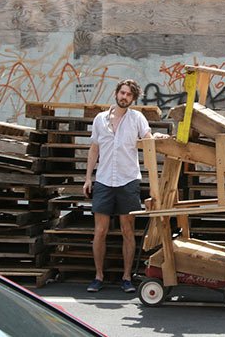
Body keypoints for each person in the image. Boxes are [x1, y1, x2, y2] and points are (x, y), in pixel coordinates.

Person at [83, 78, 165, 293]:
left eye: (129, 95)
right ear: (116, 93)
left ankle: (127, 277)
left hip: (128, 180)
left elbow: (147, 141)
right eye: (122, 93)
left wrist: (157, 138)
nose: (124, 97)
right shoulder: (100, 119)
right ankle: (98, 276)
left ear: (133, 99)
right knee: (100, 231)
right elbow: (94, 149)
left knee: (127, 230)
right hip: (103, 181)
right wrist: (88, 178)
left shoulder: (137, 118)